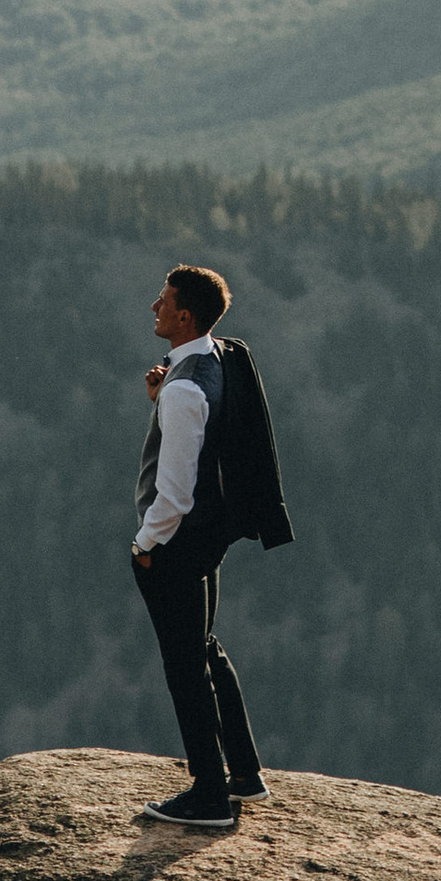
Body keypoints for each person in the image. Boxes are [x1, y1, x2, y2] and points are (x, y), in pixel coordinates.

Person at [130, 260, 288, 831]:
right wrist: (161, 395)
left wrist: (145, 545)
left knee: (184, 668)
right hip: (208, 541)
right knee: (205, 648)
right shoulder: (215, 360)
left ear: (185, 314)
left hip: (174, 545)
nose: (155, 306)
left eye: (163, 299)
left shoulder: (184, 389)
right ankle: (242, 772)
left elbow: (173, 491)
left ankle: (209, 795)